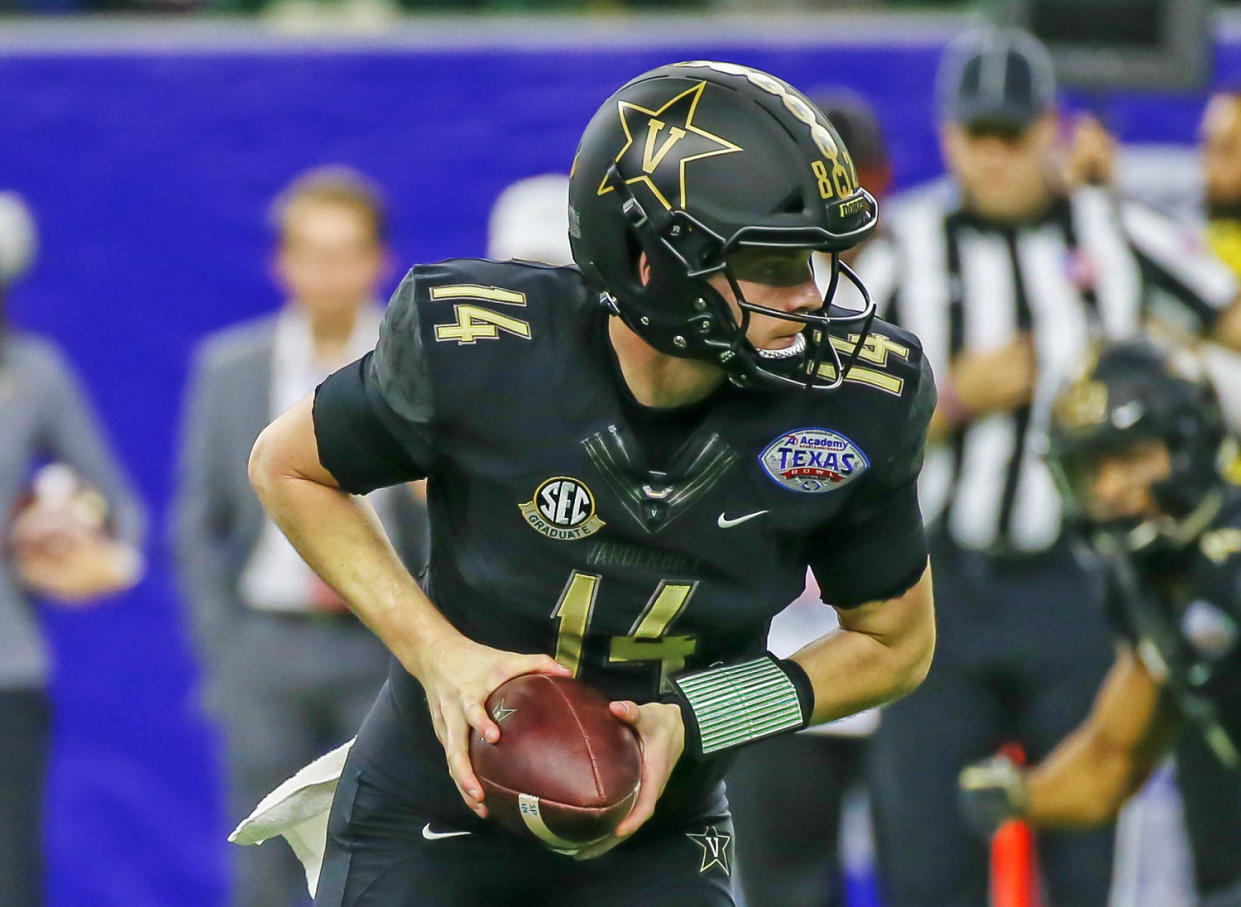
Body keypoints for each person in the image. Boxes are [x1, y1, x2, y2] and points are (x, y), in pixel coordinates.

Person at [244, 60, 937, 905]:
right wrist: (442, 657)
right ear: (652, 259)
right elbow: (287, 467)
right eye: (776, 264)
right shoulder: (484, 346)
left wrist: (700, 716)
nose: (811, 297)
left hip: (662, 822)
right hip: (433, 805)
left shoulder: (854, 401)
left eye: (821, 260)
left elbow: (894, 643)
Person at [858, 28, 1241, 907]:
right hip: (942, 588)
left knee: (1083, 861)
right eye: (975, 136)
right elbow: (819, 431)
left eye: (1011, 135)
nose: (993, 158)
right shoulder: (901, 254)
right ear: (949, 136)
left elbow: (1226, 315)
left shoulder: (1117, 233)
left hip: (1082, 585)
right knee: (923, 860)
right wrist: (950, 402)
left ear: (1050, 130)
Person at [172, 168, 428, 907]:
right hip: (265, 648)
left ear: (378, 261)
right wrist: (224, 649)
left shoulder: (422, 366)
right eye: (310, 252)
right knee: (264, 862)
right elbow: (199, 522)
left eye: (346, 252)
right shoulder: (231, 370)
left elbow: (464, 514)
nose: (328, 272)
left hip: (386, 640)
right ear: (281, 263)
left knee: (387, 847)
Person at [959, 338, 1241, 907]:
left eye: (1131, 457)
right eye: (1092, 466)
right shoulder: (1149, 573)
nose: (1109, 487)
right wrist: (1023, 795)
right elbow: (1113, 757)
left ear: (1188, 441)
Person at [724, 89, 892, 907]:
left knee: (929, 871)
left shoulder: (914, 286)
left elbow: (902, 642)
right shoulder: (720, 303)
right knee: (778, 884)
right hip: (763, 643)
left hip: (895, 633)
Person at [0, 191, 145, 906]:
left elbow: (116, 509)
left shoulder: (33, 373)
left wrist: (65, 530)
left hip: (6, 673)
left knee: (9, 872)